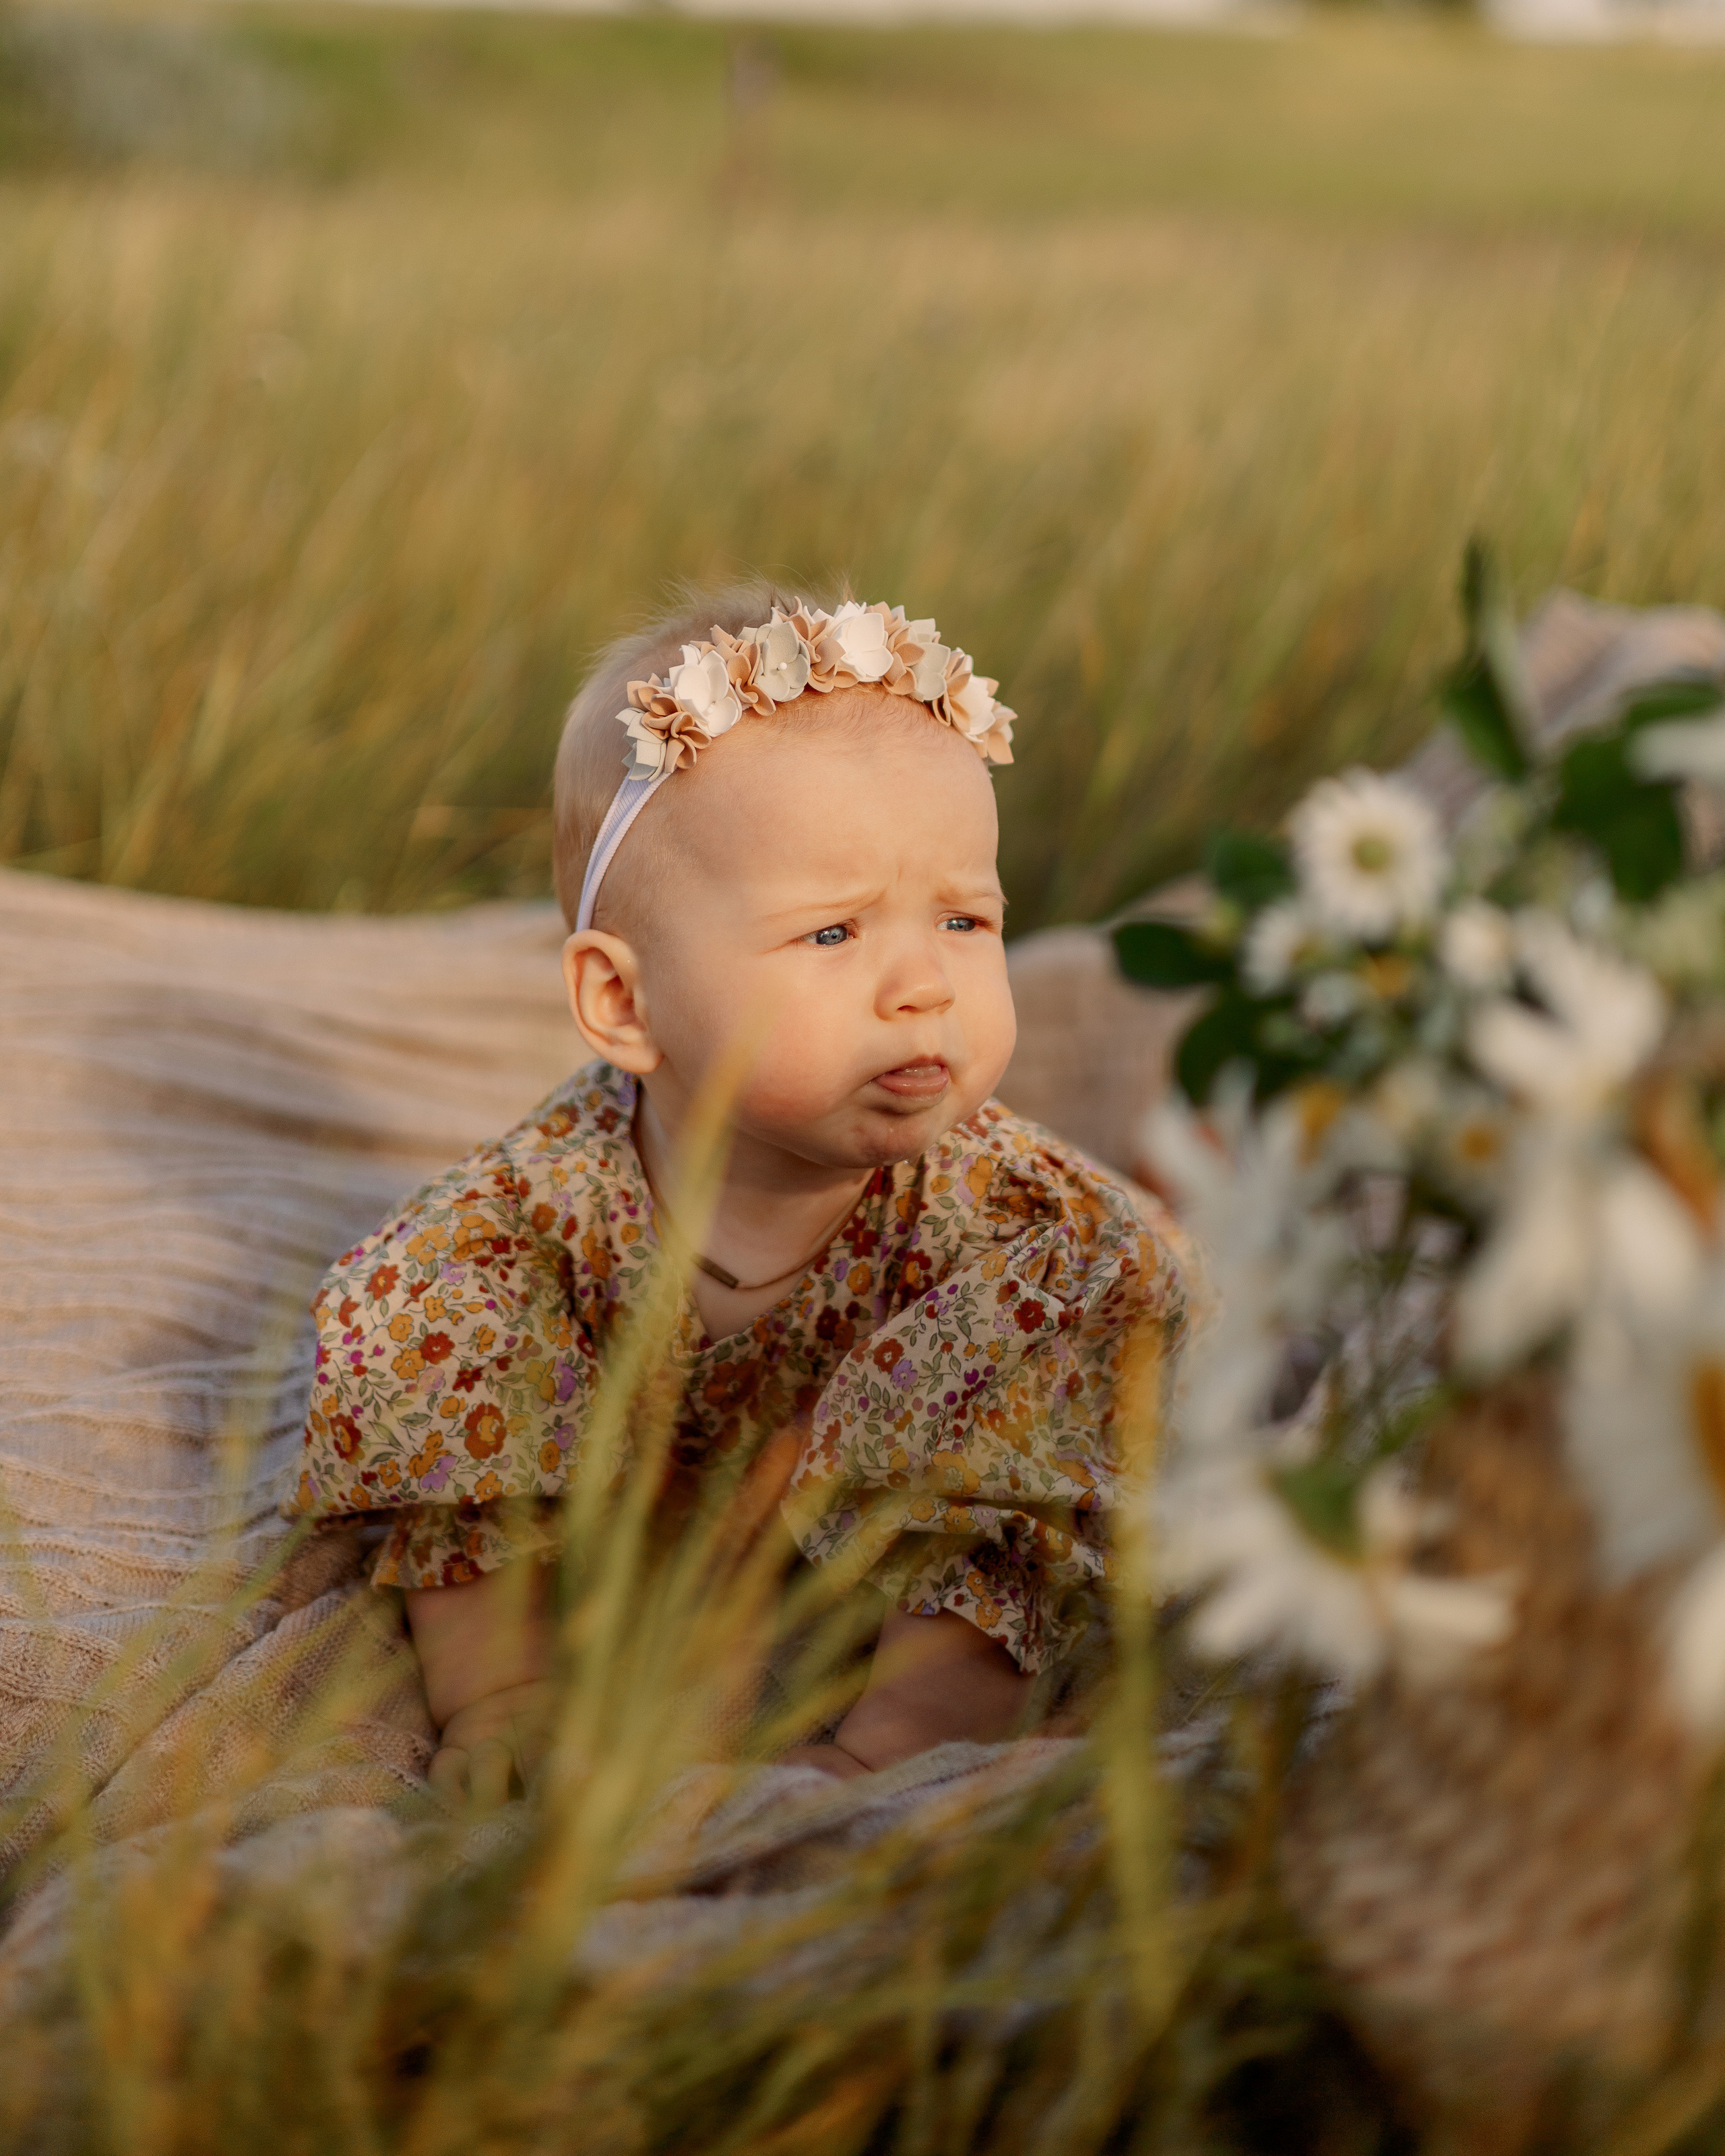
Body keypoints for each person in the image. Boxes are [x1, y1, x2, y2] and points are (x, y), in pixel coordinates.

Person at [291, 587, 1188, 1798]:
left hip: (931, 1501)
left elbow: (1027, 1450)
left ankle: (915, 1725)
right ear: (624, 1003)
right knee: (432, 1323)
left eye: (967, 918)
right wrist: (499, 1692)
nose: (923, 985)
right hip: (650, 1486)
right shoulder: (512, 1239)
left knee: (1107, 1306)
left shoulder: (1027, 1248)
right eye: (832, 935)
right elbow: (455, 1449)